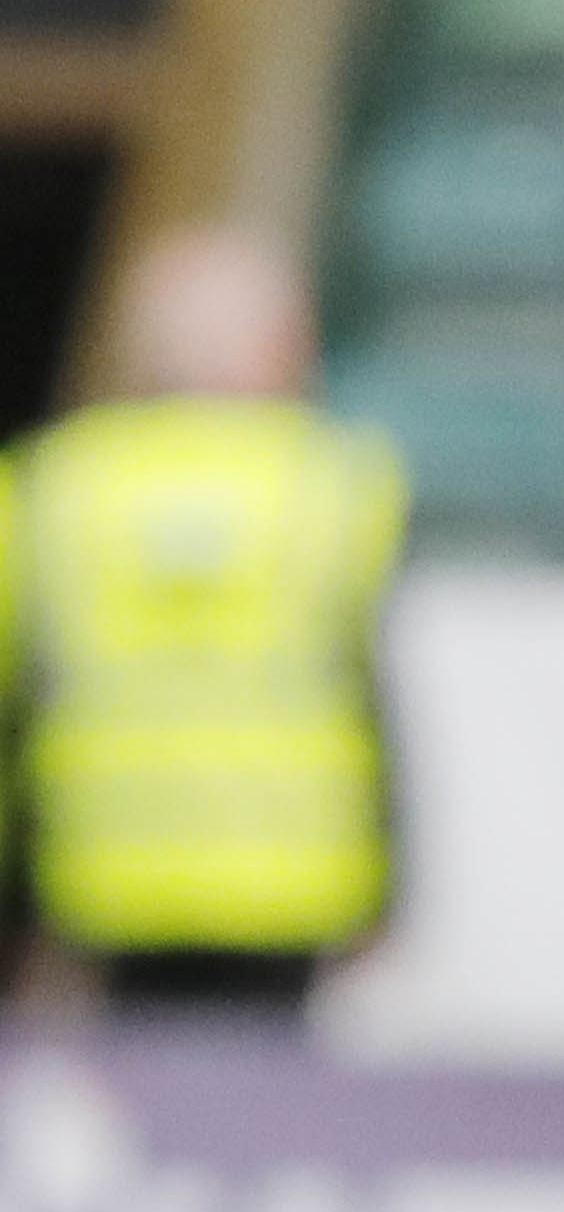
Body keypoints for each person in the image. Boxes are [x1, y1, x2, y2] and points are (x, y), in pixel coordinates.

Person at [6, 226, 405, 1016]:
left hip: (102, 871)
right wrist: (396, 880)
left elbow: (22, 695)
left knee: (138, 1118)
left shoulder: (54, 483)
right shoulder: (342, 482)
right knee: (263, 1123)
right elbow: (379, 695)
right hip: (293, 876)